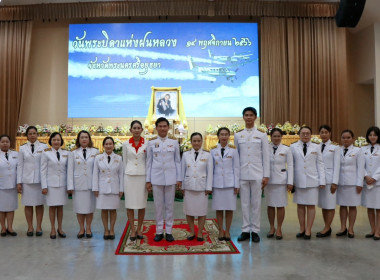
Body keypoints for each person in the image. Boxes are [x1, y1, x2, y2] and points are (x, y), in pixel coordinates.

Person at [235, 107, 269, 243]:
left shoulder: (261, 135)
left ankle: (255, 230)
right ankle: (245, 230)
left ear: (255, 117)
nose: (248, 117)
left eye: (251, 115)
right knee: (244, 203)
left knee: (256, 203)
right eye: (246, 115)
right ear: (243, 117)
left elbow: (266, 156)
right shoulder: (238, 135)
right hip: (242, 173)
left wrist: (266, 175)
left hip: (257, 174)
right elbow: (236, 156)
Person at [146, 117, 181, 242]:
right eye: (160, 126)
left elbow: (177, 161)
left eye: (164, 126)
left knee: (170, 206)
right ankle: (159, 231)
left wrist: (179, 178)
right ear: (156, 128)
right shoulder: (151, 143)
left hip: (171, 178)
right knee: (158, 206)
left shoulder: (174, 143)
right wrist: (148, 180)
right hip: (156, 178)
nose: (162, 128)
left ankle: (169, 231)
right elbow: (149, 163)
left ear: (168, 127)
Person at [291, 126, 325, 240]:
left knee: (311, 206)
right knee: (300, 205)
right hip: (299, 180)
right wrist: (291, 181)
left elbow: (320, 164)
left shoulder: (317, 147)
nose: (305, 135)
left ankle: (308, 230)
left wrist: (322, 180)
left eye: (307, 133)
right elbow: (292, 165)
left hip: (312, 180)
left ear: (311, 135)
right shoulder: (293, 146)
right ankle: (302, 228)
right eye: (303, 133)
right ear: (299, 134)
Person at [16, 126, 48, 237]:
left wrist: (45, 183)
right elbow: (20, 166)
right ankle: (30, 226)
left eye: (34, 133)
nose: (32, 135)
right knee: (28, 205)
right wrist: (19, 182)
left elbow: (45, 165)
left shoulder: (44, 146)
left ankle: (39, 226)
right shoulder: (22, 148)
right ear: (27, 135)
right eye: (30, 133)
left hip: (40, 180)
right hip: (27, 180)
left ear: (37, 134)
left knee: (39, 204)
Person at [181, 132, 213, 241]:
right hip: (189, 186)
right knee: (189, 211)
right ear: (191, 142)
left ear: (201, 142)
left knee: (201, 211)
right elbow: (182, 171)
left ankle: (199, 232)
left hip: (202, 187)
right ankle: (191, 231)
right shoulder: (185, 155)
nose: (196, 143)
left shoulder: (207, 155)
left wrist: (209, 187)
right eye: (194, 141)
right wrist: (182, 187)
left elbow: (210, 172)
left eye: (198, 141)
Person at [67, 130, 99, 239]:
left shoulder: (95, 152)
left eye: (86, 137)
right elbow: (70, 170)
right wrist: (70, 186)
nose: (84, 139)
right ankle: (81, 228)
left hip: (91, 184)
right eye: (82, 137)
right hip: (78, 184)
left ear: (89, 139)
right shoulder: (73, 153)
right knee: (79, 208)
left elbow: (97, 170)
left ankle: (89, 228)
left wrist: (96, 186)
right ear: (78, 140)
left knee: (90, 208)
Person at [211, 127, 240, 241]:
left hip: (229, 183)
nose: (223, 137)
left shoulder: (233, 150)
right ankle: (220, 231)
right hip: (217, 184)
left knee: (229, 208)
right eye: (221, 134)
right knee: (219, 208)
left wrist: (236, 184)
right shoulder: (213, 150)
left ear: (229, 136)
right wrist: (210, 185)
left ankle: (227, 230)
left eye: (226, 134)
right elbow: (211, 168)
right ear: (218, 136)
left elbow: (236, 168)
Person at [41, 132, 71, 239]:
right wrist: (44, 186)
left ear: (61, 141)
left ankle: (60, 228)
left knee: (60, 207)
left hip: (62, 184)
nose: (56, 142)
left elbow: (69, 170)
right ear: (51, 141)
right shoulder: (46, 153)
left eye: (58, 140)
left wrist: (69, 185)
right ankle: (53, 228)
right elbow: (43, 171)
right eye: (54, 140)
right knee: (52, 207)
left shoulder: (66, 153)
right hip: (51, 185)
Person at [92, 137, 123, 240]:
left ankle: (112, 229)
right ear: (103, 146)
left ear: (113, 145)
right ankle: (106, 230)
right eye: (106, 144)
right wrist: (95, 188)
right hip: (102, 188)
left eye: (110, 144)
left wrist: (121, 189)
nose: (108, 146)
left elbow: (121, 174)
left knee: (113, 210)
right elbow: (95, 174)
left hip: (115, 187)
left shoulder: (119, 158)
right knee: (104, 210)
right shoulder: (98, 158)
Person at [265, 128, 293, 240]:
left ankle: (279, 228)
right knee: (270, 205)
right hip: (269, 181)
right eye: (274, 136)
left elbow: (290, 166)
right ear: (270, 137)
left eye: (278, 136)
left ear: (281, 137)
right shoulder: (266, 147)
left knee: (280, 205)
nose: (276, 138)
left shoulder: (286, 149)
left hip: (281, 181)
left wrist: (290, 182)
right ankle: (272, 227)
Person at [336, 129, 365, 238]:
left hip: (353, 183)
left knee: (352, 206)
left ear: (353, 139)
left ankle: (351, 228)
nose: (346, 139)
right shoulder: (338, 150)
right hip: (341, 183)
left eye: (348, 137)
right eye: (343, 137)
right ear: (341, 139)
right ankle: (343, 227)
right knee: (342, 206)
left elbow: (360, 168)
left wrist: (359, 183)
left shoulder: (358, 151)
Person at [122, 120, 148, 241]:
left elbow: (148, 162)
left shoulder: (147, 144)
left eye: (139, 128)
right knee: (130, 204)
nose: (136, 130)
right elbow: (124, 162)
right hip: (129, 176)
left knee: (142, 204)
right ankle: (132, 229)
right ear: (131, 130)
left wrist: (149, 180)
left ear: (142, 130)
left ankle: (139, 229)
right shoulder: (125, 144)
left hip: (142, 176)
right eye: (134, 128)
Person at [316, 125, 340, 238]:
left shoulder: (335, 147)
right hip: (321, 180)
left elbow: (337, 166)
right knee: (324, 205)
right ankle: (327, 227)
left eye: (326, 132)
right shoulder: (317, 146)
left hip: (330, 180)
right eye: (322, 132)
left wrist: (335, 182)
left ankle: (326, 228)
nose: (324, 134)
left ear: (330, 133)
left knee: (330, 205)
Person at [362, 126, 380, 240]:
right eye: (370, 135)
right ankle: (372, 229)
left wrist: (375, 177)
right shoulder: (363, 149)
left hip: (378, 183)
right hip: (367, 181)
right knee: (369, 207)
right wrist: (365, 176)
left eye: (374, 135)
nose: (372, 137)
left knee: (378, 208)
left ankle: (378, 231)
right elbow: (360, 164)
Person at [0, 135, 18, 237]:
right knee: (1, 208)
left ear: (10, 143)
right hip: (1, 185)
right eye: (3, 142)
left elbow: (18, 169)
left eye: (7, 141)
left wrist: (19, 183)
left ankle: (10, 227)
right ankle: (3, 228)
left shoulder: (16, 154)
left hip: (12, 184)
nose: (5, 143)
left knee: (11, 207)